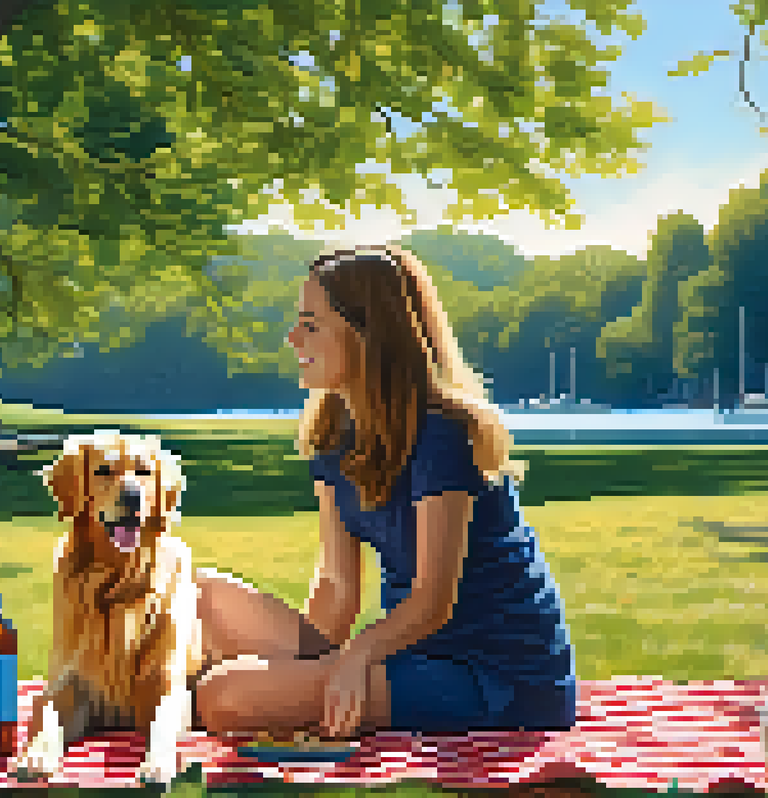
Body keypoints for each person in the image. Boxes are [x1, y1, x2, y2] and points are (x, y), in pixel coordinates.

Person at [192, 245, 576, 738]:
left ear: (367, 334)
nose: (293, 338)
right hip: (408, 652)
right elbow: (337, 588)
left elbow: (433, 601)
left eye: (311, 324)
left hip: (497, 675)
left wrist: (351, 659)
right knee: (198, 595)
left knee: (223, 697)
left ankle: (247, 696)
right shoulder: (332, 436)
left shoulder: (441, 435)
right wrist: (315, 669)